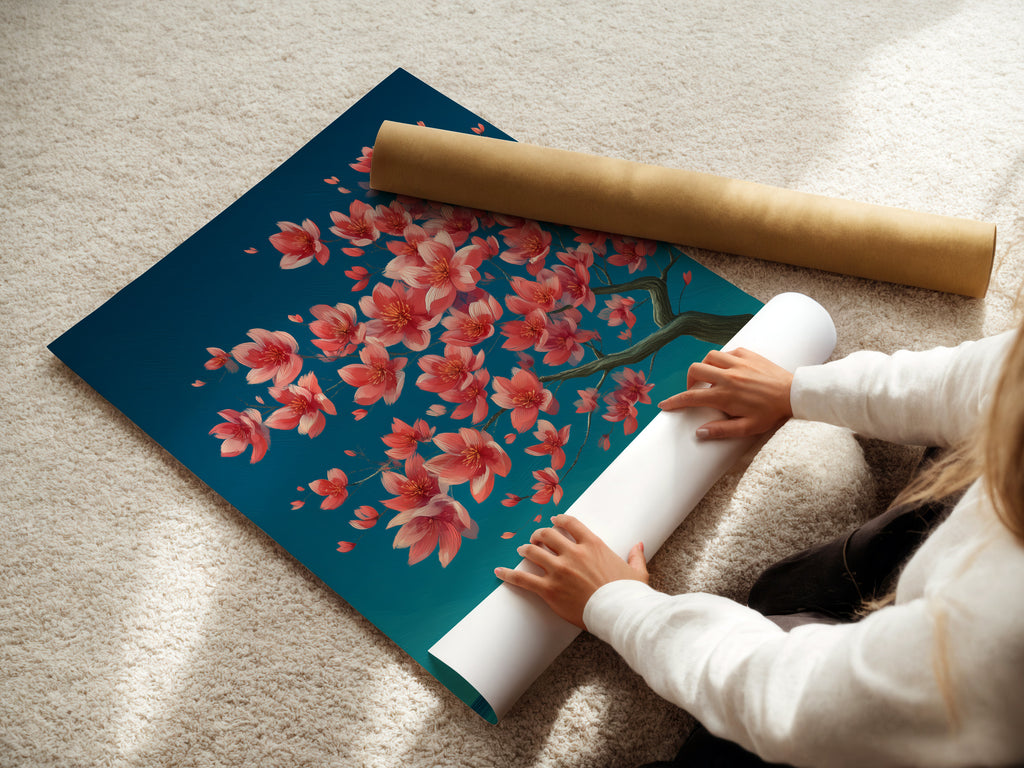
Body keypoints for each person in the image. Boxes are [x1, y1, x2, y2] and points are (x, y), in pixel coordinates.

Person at [494, 326, 1024, 767]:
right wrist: (797, 390)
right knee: (788, 591)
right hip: (958, 606)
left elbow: (795, 700)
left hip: (947, 720)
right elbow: (983, 378)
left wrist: (619, 605)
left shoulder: (998, 637)